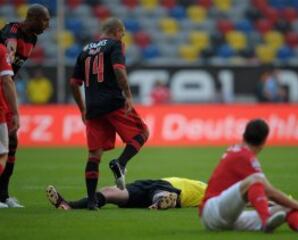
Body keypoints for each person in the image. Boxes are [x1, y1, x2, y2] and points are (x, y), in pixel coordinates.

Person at [199, 119, 298, 233]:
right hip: (212, 211)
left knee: (287, 207)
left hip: (229, 218)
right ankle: (266, 221)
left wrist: (293, 205)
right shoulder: (244, 156)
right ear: (264, 141)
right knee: (257, 180)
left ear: (244, 135)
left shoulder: (237, 150)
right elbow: (269, 191)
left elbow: (260, 192)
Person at [70, 17, 149, 210]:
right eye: (122, 34)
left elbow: (74, 83)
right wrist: (128, 96)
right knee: (142, 133)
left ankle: (91, 201)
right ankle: (120, 163)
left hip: (93, 107)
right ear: (116, 31)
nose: (123, 38)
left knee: (94, 155)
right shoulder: (115, 45)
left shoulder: (85, 50)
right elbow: (119, 70)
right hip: (113, 102)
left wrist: (82, 109)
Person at [0, 4, 50, 208]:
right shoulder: (12, 29)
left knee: (12, 142)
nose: (48, 24)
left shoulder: (33, 38)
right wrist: (11, 49)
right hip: (2, 86)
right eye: (45, 20)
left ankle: (3, 194)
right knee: (3, 145)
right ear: (33, 18)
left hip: (6, 91)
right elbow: (10, 44)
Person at [46, 177, 206, 210]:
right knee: (109, 191)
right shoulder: (214, 187)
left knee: (162, 191)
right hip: (150, 183)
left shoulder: (214, 193)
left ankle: (163, 200)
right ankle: (68, 205)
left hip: (170, 188)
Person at [0, 45, 20, 208]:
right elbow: (7, 80)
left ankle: (3, 195)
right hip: (1, 108)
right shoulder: (1, 50)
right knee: (3, 153)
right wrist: (15, 112)